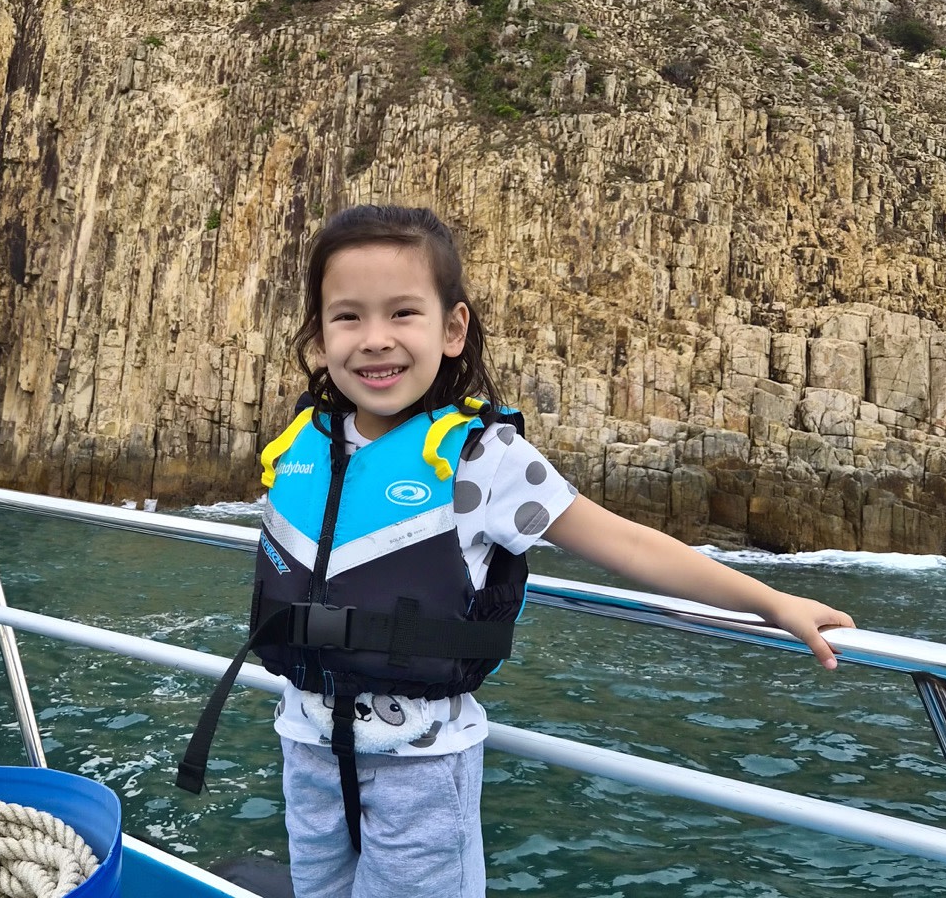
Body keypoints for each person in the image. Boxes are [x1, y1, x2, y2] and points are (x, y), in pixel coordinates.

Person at [179, 204, 855, 898]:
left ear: (452, 329)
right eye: (348, 316)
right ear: (318, 337)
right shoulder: (304, 444)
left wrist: (773, 602)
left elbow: (626, 543)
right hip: (305, 750)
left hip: (422, 773)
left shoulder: (485, 459)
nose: (375, 339)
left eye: (403, 313)